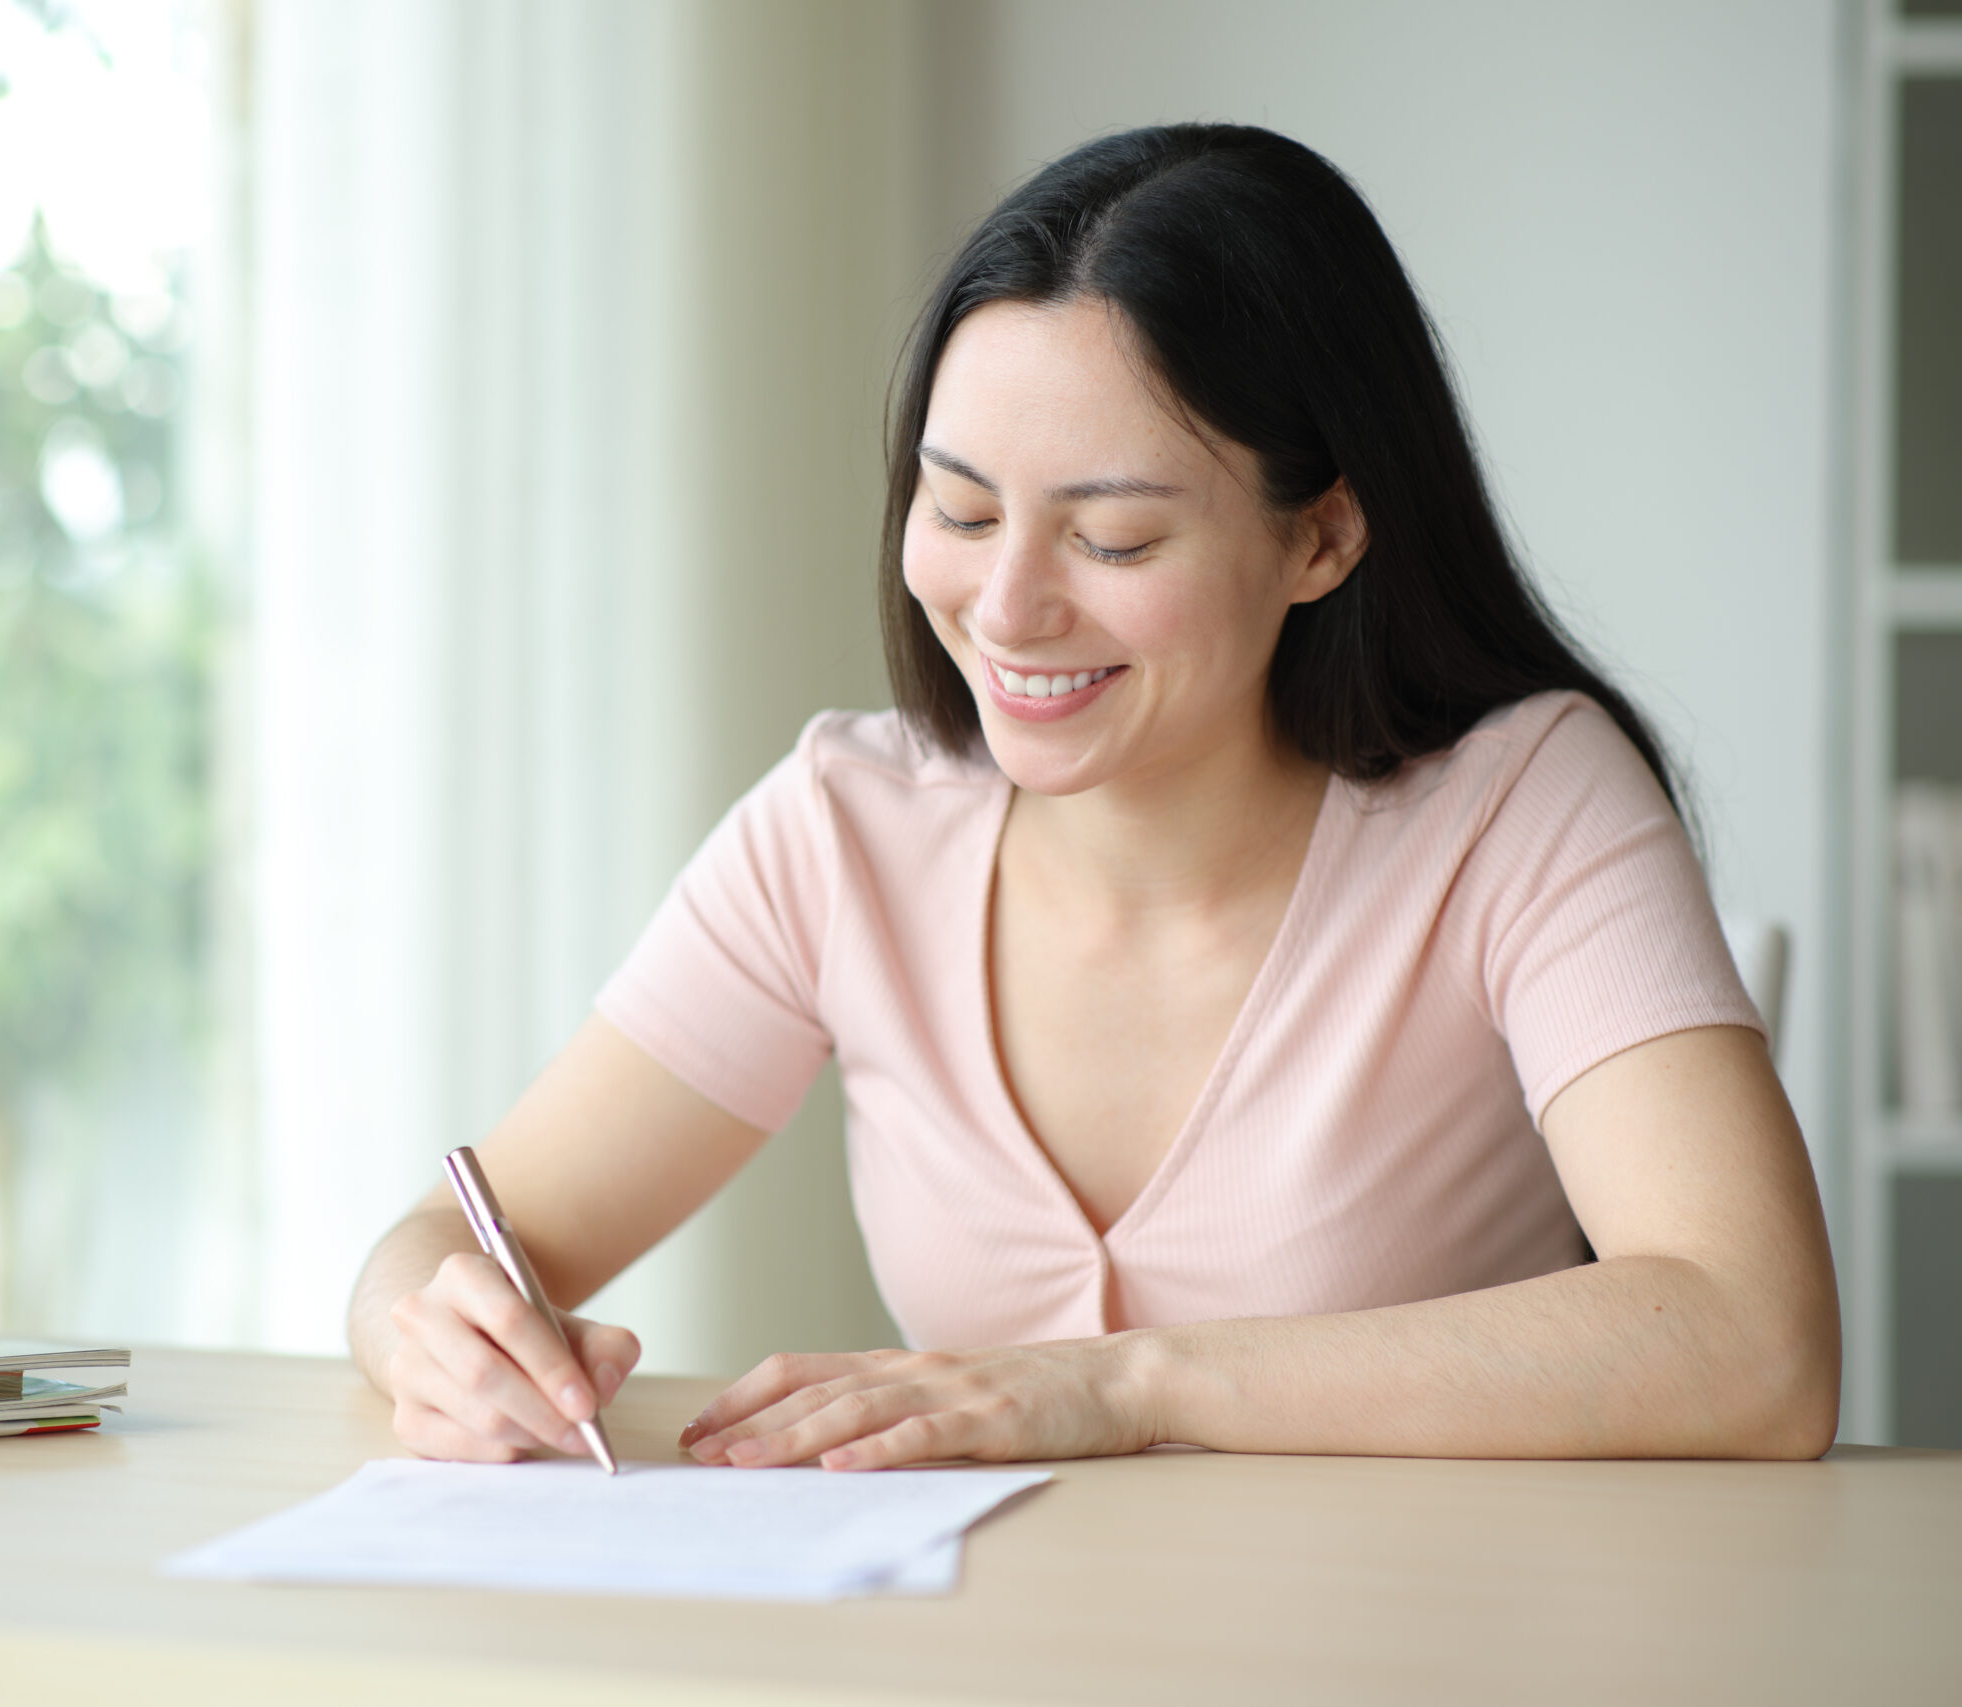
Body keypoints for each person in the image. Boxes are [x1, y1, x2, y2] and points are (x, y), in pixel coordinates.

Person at [346, 123, 1840, 1470]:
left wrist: (1123, 1385)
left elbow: (1755, 1341)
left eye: (1112, 541)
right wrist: (439, 1335)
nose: (1006, 609)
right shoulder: (846, 831)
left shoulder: (1523, 806)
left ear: (1321, 537)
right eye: (962, 508)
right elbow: (449, 1241)